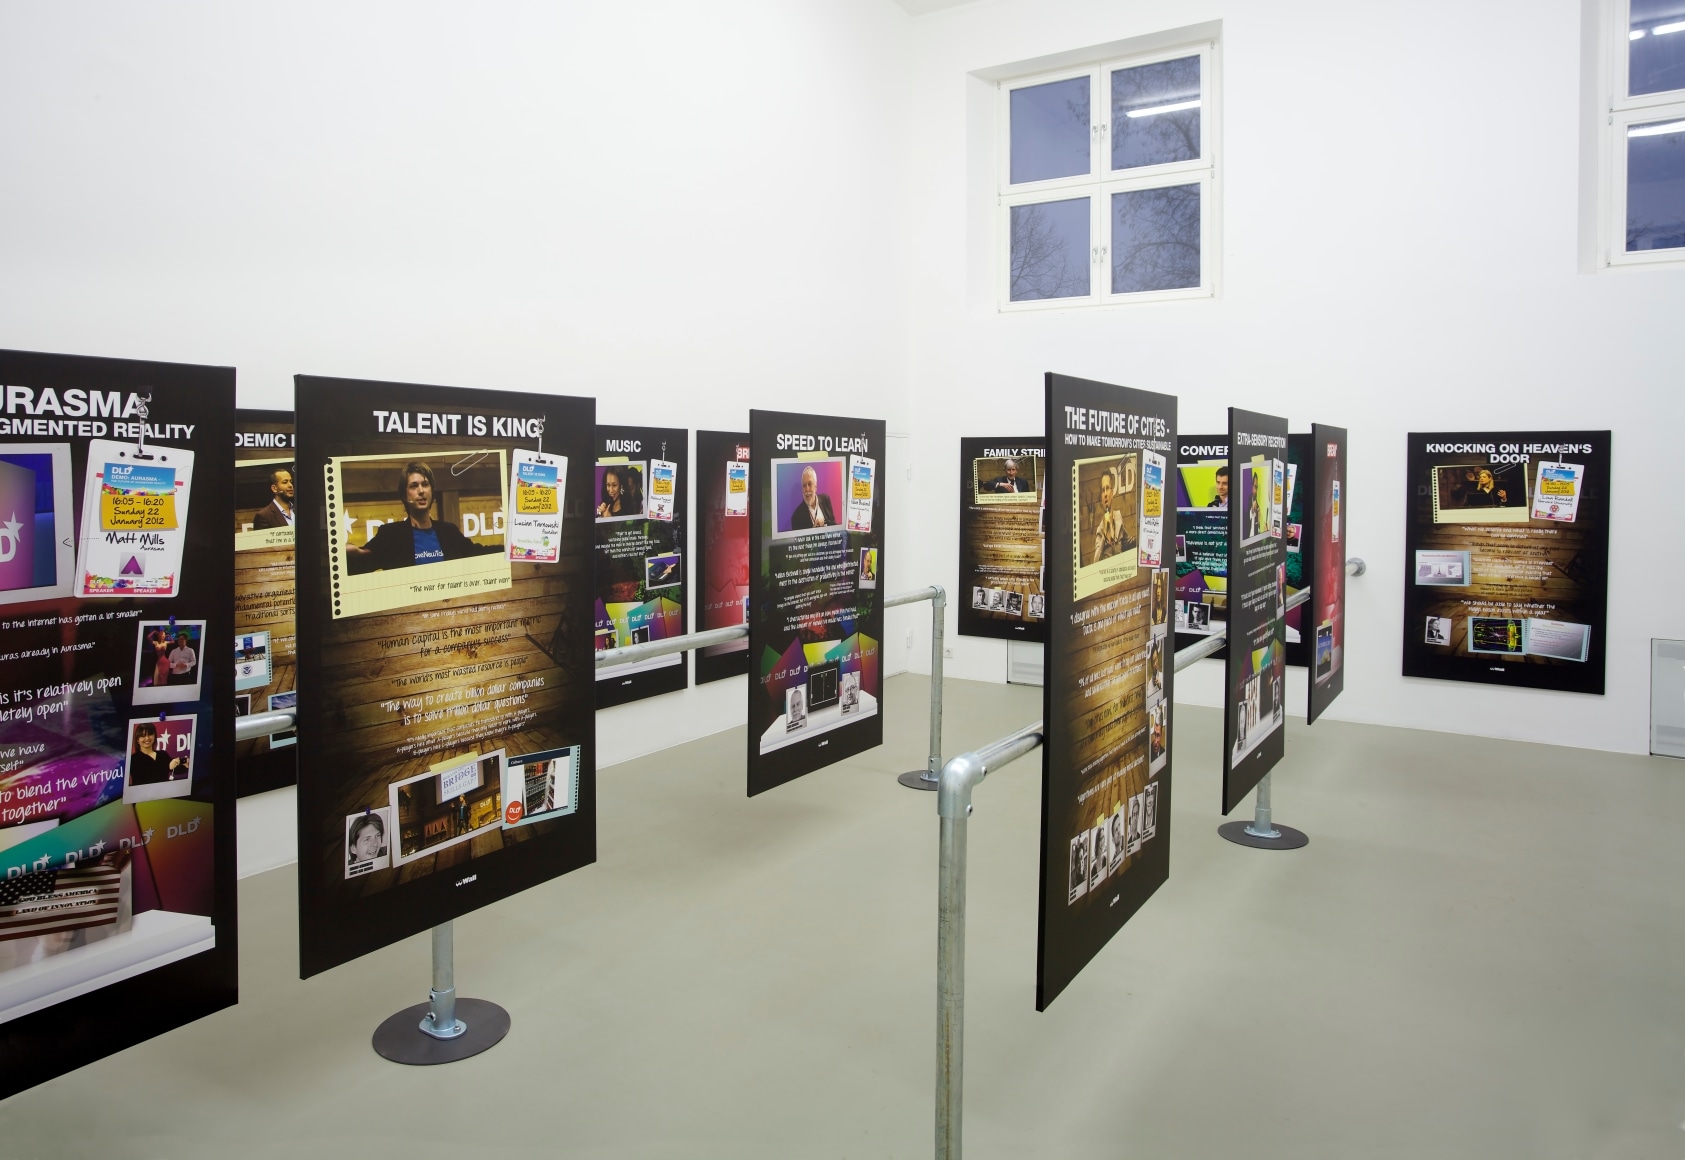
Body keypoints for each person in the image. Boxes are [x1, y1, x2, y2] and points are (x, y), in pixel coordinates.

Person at [345, 462, 498, 574]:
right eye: (414, 486)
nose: (421, 491)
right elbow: (361, 561)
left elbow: (479, 554)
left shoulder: (449, 532)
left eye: (425, 484)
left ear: (432, 491)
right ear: (405, 495)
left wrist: (515, 550)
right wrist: (347, 553)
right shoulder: (390, 536)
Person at [1090, 468, 1130, 564]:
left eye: (1107, 488)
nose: (1105, 494)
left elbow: (1126, 540)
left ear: (1111, 493)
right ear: (1101, 497)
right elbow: (1095, 561)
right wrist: (1104, 536)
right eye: (1103, 490)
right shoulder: (1100, 529)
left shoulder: (1118, 517)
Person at [787, 466, 836, 530]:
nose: (807, 489)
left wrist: (824, 524)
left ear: (815, 486)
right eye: (804, 485)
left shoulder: (826, 499)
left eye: (810, 484)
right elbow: (800, 539)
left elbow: (835, 527)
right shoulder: (796, 517)